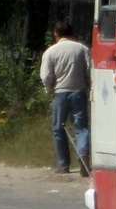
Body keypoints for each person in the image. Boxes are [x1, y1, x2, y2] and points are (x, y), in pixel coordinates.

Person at [39, 21, 91, 176]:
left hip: (60, 92)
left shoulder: (50, 52)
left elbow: (46, 76)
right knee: (81, 127)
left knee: (58, 128)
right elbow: (89, 70)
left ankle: (63, 164)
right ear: (72, 33)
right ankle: (82, 151)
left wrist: (49, 89)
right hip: (78, 91)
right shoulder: (82, 49)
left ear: (56, 34)